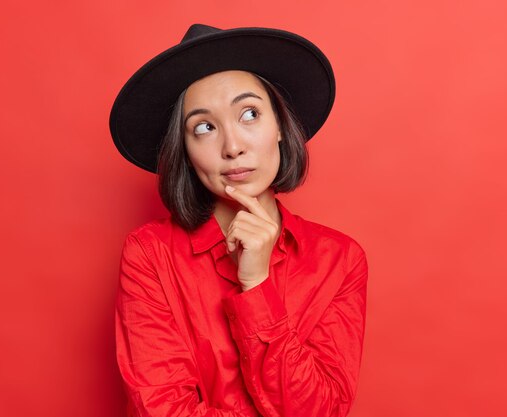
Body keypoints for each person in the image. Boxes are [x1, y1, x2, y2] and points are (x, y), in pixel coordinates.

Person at [109, 23, 369, 417]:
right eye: (205, 127)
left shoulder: (339, 259)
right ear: (186, 150)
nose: (232, 147)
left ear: (280, 125)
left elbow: (321, 410)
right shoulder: (150, 254)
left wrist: (257, 286)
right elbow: (161, 408)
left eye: (249, 114)